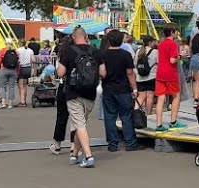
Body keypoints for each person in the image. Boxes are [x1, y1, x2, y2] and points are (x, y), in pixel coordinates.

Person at [56, 27, 100, 168]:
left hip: (73, 93)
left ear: (74, 37)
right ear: (86, 37)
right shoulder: (95, 51)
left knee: (79, 125)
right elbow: (103, 72)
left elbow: (61, 72)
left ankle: (88, 156)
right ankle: (75, 154)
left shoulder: (69, 51)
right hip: (90, 93)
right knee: (80, 123)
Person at [98, 29, 138, 153]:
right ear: (121, 41)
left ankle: (112, 144)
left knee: (110, 116)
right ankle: (130, 143)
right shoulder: (125, 55)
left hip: (108, 89)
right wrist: (135, 88)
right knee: (126, 116)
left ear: (109, 40)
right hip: (124, 88)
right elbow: (130, 73)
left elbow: (101, 73)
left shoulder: (103, 55)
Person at [152, 26, 184, 132]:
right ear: (172, 32)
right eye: (176, 32)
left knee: (161, 99)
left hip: (160, 73)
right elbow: (172, 60)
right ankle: (173, 121)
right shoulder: (173, 44)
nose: (177, 34)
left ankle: (159, 124)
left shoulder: (161, 44)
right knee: (176, 96)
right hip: (170, 73)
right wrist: (180, 56)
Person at [134, 35, 158, 116]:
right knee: (150, 96)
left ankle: (135, 112)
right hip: (151, 77)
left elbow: (135, 64)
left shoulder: (138, 51)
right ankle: (148, 114)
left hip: (140, 78)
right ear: (150, 42)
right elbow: (159, 63)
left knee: (140, 97)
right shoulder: (155, 52)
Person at [0, 40, 19, 109]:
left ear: (5, 43)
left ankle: (3, 103)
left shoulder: (2, 51)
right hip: (13, 71)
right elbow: (18, 62)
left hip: (4, 70)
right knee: (11, 87)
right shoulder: (15, 51)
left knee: (3, 86)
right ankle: (10, 103)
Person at [16, 38, 34, 106]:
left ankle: (22, 101)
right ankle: (24, 100)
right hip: (28, 68)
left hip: (21, 68)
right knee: (25, 85)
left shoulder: (18, 50)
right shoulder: (30, 50)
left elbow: (17, 60)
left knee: (20, 86)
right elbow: (33, 59)